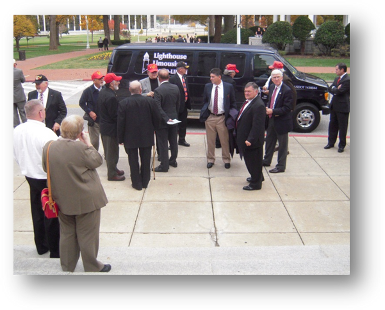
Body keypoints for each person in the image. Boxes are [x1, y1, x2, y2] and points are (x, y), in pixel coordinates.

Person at [42, 115, 110, 272]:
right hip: (86, 199)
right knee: (87, 234)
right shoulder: (81, 149)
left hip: (62, 198)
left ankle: (67, 264)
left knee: (67, 233)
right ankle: (92, 265)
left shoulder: (49, 147)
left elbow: (46, 168)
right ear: (80, 132)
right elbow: (97, 161)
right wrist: (88, 142)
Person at [13, 99, 60, 258]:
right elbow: (56, 157)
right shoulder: (46, 133)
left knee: (37, 211)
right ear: (41, 113)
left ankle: (41, 245)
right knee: (51, 213)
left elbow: (15, 154)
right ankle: (55, 250)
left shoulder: (17, 130)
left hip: (29, 175)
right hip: (45, 177)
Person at [118, 81, 161, 190]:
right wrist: (155, 129)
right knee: (146, 159)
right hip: (146, 136)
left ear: (129, 90)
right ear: (141, 90)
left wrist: (120, 138)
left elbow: (121, 122)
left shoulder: (123, 103)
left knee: (132, 160)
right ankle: (145, 181)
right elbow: (157, 118)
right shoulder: (150, 102)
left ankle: (136, 183)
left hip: (130, 137)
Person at [200, 68, 237, 169]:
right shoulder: (208, 87)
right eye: (210, 76)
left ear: (219, 77)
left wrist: (231, 116)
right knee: (210, 140)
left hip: (222, 117)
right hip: (210, 116)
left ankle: (226, 159)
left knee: (224, 140)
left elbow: (233, 102)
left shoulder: (228, 87)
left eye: (213, 77)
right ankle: (210, 159)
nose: (211, 78)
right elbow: (205, 101)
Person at [236, 82, 266, 190]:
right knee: (252, 162)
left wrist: (250, 139)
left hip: (252, 141)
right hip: (245, 137)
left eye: (249, 91)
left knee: (253, 162)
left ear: (256, 92)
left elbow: (257, 126)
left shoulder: (258, 105)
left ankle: (255, 184)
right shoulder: (249, 102)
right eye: (245, 91)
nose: (246, 93)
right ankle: (257, 177)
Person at [263, 69, 293, 173]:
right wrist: (268, 108)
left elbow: (287, 108)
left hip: (282, 121)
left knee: (282, 145)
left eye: (278, 77)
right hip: (272, 119)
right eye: (274, 77)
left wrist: (273, 110)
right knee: (270, 141)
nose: (276, 79)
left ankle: (281, 166)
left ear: (282, 77)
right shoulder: (272, 87)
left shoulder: (287, 90)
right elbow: (271, 101)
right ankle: (266, 160)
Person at [98, 73, 125, 181]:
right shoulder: (110, 97)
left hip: (105, 127)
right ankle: (112, 174)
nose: (119, 82)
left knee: (111, 151)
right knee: (112, 152)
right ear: (111, 83)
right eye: (117, 81)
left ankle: (114, 168)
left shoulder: (104, 92)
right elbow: (114, 115)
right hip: (110, 129)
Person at [153, 68, 180, 172]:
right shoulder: (175, 88)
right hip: (174, 119)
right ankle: (173, 160)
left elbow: (157, 107)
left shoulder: (158, 90)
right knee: (173, 141)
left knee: (163, 143)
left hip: (162, 121)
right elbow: (178, 104)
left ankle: (164, 165)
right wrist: (173, 117)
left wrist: (166, 118)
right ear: (169, 77)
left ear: (159, 78)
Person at [324, 63, 350, 153]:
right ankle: (331, 143)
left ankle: (342, 145)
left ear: (342, 70)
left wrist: (336, 90)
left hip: (342, 107)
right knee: (332, 125)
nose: (335, 71)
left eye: (337, 69)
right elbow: (330, 89)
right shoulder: (336, 79)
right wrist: (336, 89)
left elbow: (340, 91)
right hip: (334, 106)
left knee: (342, 127)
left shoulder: (347, 80)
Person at [79, 71, 105, 151]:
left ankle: (107, 156)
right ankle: (94, 157)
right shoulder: (88, 91)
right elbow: (81, 103)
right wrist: (90, 112)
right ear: (94, 80)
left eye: (102, 78)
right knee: (94, 142)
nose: (101, 80)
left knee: (106, 141)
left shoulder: (105, 89)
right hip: (94, 121)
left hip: (104, 120)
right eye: (99, 79)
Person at [169, 61, 191, 147]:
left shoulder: (185, 77)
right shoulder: (173, 79)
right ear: (180, 69)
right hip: (176, 106)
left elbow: (186, 90)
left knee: (183, 123)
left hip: (184, 105)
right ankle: (172, 143)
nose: (186, 70)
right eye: (185, 68)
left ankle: (182, 139)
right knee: (174, 125)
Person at [13, 59, 27, 127]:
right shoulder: (18, 71)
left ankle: (16, 127)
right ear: (14, 64)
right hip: (19, 95)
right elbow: (23, 80)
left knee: (13, 114)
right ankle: (26, 125)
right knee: (23, 112)